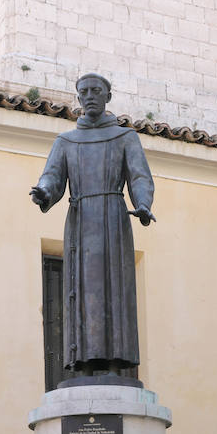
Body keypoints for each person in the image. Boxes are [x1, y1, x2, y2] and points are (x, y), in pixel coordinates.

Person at [30, 73, 155, 375]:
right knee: (82, 290)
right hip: (81, 223)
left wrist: (142, 203)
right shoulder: (66, 141)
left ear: (108, 96)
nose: (89, 96)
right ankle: (83, 364)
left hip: (113, 219)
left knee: (115, 289)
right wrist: (44, 190)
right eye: (83, 92)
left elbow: (139, 176)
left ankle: (116, 362)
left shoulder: (126, 138)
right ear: (79, 98)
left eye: (96, 91)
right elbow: (52, 176)